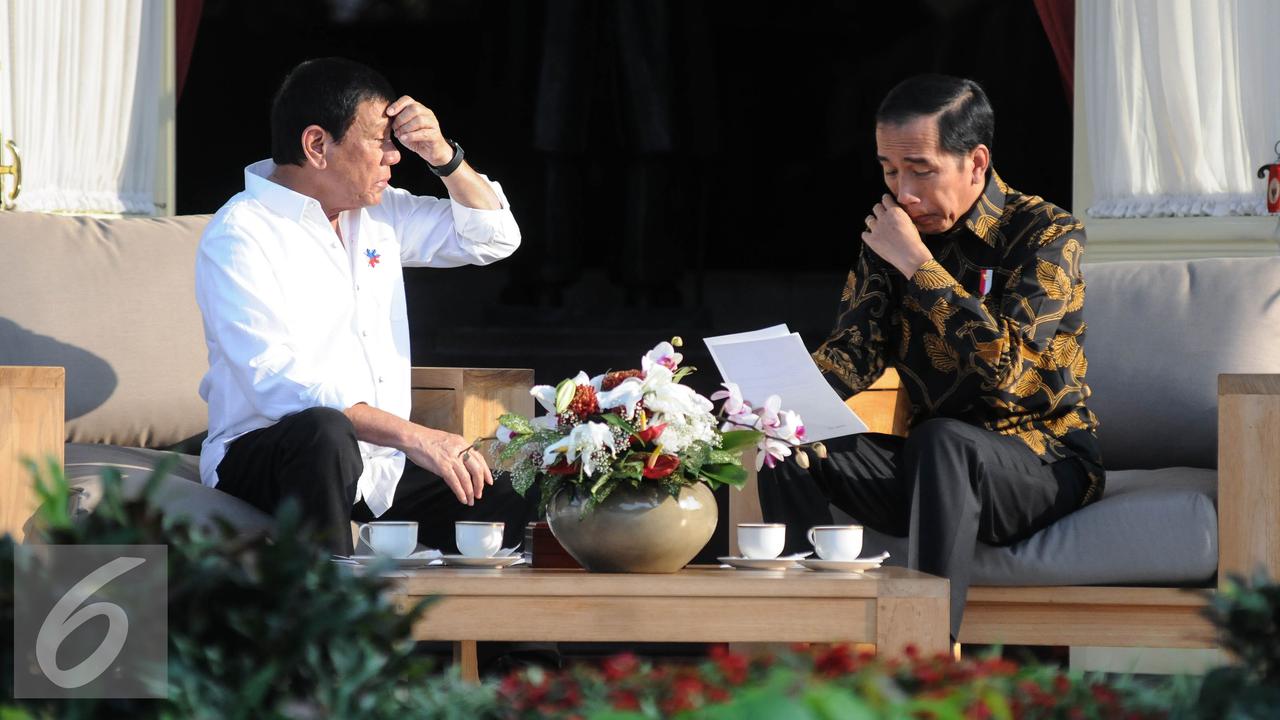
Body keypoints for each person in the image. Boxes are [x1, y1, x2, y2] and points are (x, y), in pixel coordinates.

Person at [758, 74, 1104, 639]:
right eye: (890, 171)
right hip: (930, 470)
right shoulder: (895, 232)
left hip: (1042, 462)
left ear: (976, 161)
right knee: (790, 448)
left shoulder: (1046, 233)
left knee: (943, 438)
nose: (904, 191)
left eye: (921, 169)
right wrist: (773, 400)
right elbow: (853, 354)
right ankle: (811, 657)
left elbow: (1007, 369)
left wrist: (919, 266)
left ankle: (923, 663)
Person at [195, 58, 534, 556]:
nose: (394, 158)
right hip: (269, 456)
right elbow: (280, 385)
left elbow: (494, 239)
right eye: (382, 142)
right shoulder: (241, 232)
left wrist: (445, 158)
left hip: (377, 463)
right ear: (317, 145)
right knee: (324, 431)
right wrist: (418, 436)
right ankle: (332, 626)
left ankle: (514, 637)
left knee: (499, 486)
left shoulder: (380, 213)